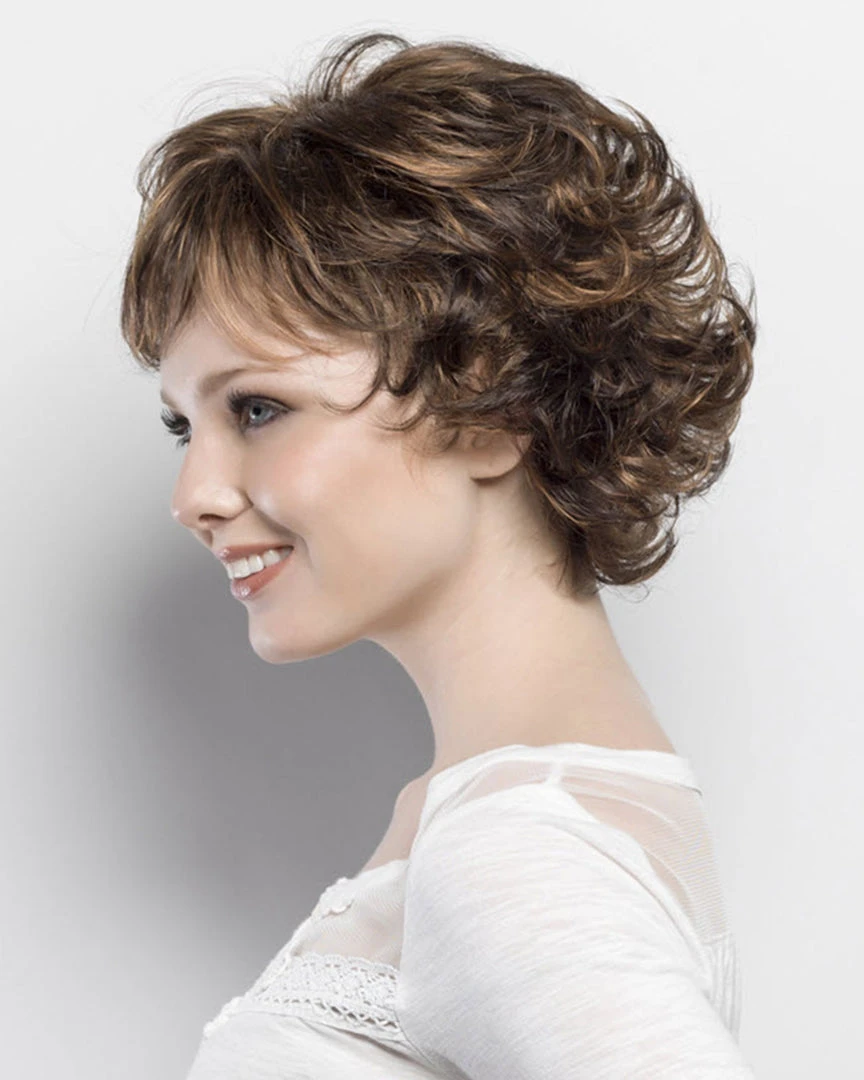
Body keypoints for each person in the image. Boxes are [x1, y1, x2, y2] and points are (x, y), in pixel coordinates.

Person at [121, 30, 757, 1079]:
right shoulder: (530, 818)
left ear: (495, 406)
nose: (195, 496)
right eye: (184, 426)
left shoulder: (515, 851)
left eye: (259, 408)